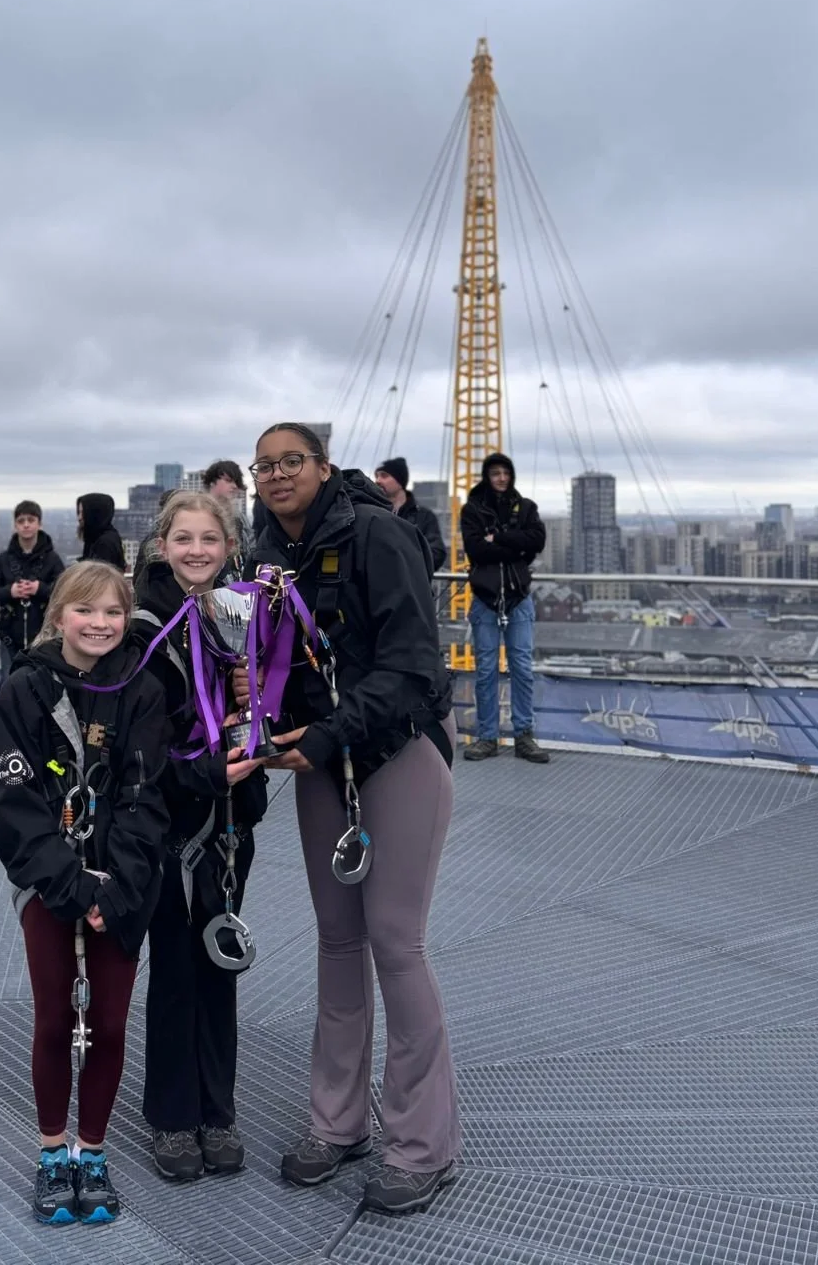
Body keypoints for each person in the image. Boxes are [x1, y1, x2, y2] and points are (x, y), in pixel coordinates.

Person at [248, 421, 461, 1217]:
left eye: (289, 461)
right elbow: (274, 666)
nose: (275, 475)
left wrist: (331, 732)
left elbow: (412, 667)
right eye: (263, 464)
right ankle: (337, 1125)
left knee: (396, 946)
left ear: (324, 467)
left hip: (397, 752)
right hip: (320, 765)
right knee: (338, 943)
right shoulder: (267, 553)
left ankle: (422, 1146)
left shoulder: (379, 535)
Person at [0, 561, 170, 1226]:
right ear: (58, 615)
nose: (100, 624)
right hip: (48, 888)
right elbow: (15, 803)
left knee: (112, 1023)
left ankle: (93, 1151)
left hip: (123, 887)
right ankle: (50, 1150)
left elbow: (146, 798)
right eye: (85, 611)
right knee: (56, 1020)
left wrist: (111, 889)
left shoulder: (141, 693)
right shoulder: (23, 694)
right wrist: (69, 885)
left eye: (113, 613)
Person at [130, 490, 268, 1182]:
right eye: (183, 539)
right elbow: (139, 737)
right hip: (172, 819)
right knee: (176, 967)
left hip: (229, 821)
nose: (195, 551)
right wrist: (205, 771)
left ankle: (219, 1108)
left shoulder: (239, 614)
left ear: (228, 547)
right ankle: (174, 1117)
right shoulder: (142, 624)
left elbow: (264, 711)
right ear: (162, 544)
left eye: (208, 539)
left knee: (221, 958)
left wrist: (254, 702)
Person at [459, 452, 549, 763]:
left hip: (518, 598)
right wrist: (515, 545)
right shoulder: (472, 510)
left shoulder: (525, 507)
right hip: (486, 599)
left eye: (505, 472)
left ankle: (524, 735)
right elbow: (476, 550)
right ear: (487, 476)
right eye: (495, 473)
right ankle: (488, 737)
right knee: (486, 672)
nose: (501, 478)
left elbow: (537, 541)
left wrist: (498, 537)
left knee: (522, 669)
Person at [0, 500, 64, 679]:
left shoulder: (52, 559)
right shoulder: (4, 560)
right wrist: (10, 592)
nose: (26, 525)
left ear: (39, 524)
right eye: (21, 521)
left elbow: (65, 592)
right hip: (10, 635)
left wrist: (40, 589)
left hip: (44, 636)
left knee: (44, 684)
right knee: (8, 684)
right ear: (15, 526)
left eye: (31, 520)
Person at [374, 458, 446, 578]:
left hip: (413, 590)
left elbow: (437, 554)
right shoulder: (373, 513)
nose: (378, 481)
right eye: (376, 476)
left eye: (384, 476)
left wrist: (399, 562)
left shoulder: (424, 516)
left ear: (400, 481)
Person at [201, 459, 252, 562]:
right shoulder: (195, 511)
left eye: (236, 482)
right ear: (212, 482)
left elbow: (250, 550)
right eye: (228, 480)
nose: (234, 486)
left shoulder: (239, 518)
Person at [76, 493, 126, 570]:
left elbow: (99, 577)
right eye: (79, 512)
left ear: (94, 514)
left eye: (83, 513)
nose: (79, 518)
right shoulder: (94, 539)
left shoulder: (105, 543)